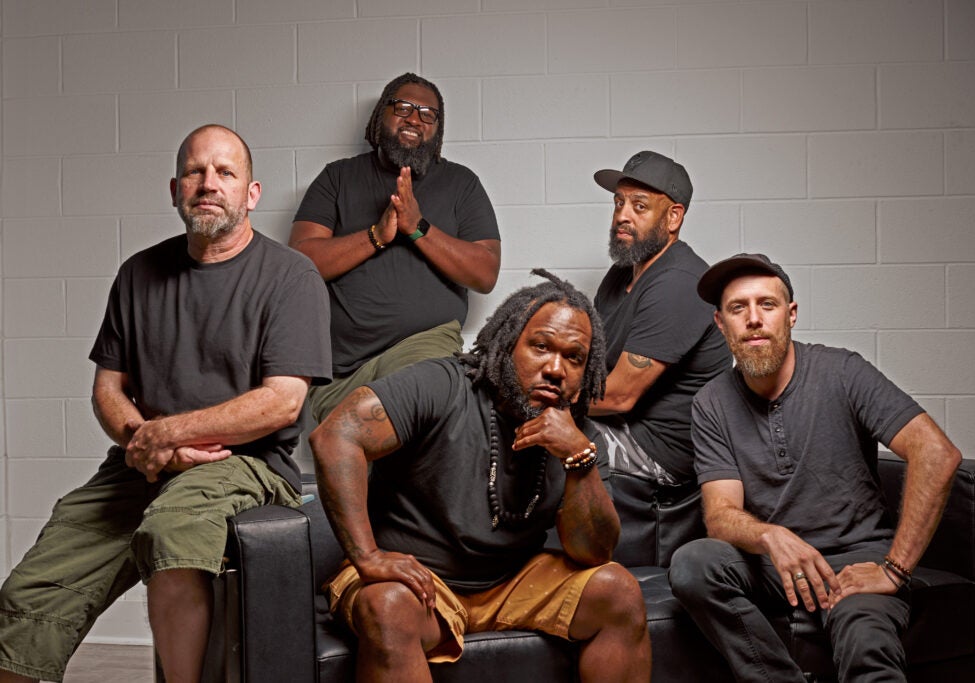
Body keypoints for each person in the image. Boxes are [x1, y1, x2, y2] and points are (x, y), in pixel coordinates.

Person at [0, 125, 332, 683]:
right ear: (175, 188)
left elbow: (282, 402)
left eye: (226, 172)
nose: (209, 184)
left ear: (251, 194)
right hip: (141, 461)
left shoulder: (291, 277)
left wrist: (168, 435)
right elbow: (108, 387)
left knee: (172, 534)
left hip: (243, 463)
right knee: (26, 592)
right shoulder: (139, 273)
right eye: (196, 172)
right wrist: (142, 441)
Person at [309, 270, 651, 682]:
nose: (556, 368)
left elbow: (594, 554)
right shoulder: (443, 384)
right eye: (540, 347)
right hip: (419, 583)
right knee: (388, 607)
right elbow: (336, 435)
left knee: (618, 590)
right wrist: (368, 557)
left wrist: (579, 458)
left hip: (510, 582)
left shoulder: (578, 439)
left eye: (574, 358)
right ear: (507, 345)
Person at [669, 253, 963, 682]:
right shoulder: (712, 401)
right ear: (720, 325)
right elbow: (719, 515)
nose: (753, 319)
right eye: (738, 308)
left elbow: (936, 453)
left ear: (790, 315)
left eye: (766, 305)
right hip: (774, 563)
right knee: (693, 563)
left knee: (867, 642)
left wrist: (894, 568)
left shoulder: (842, 371)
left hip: (856, 558)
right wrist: (771, 536)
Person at [290, 72, 501, 424]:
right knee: (354, 448)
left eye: (427, 113)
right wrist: (376, 235)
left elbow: (485, 273)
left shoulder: (461, 184)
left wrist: (417, 228)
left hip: (423, 348)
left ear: (438, 128)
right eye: (403, 107)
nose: (415, 119)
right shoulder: (337, 178)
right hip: (342, 368)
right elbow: (299, 263)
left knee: (404, 418)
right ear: (380, 116)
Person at [589, 151, 732, 565]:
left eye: (639, 206)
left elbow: (616, 396)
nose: (622, 216)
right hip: (621, 425)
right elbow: (590, 362)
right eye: (619, 203)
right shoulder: (622, 274)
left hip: (662, 451)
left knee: (542, 432)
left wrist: (532, 398)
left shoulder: (681, 282)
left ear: (673, 218)